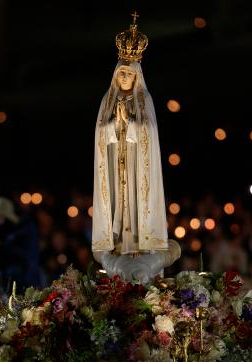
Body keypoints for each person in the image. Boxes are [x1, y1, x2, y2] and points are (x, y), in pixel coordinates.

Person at [91, 14, 168, 257]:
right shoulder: (109, 100)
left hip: (136, 163)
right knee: (119, 200)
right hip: (116, 162)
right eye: (121, 74)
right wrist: (115, 124)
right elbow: (101, 133)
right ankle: (117, 240)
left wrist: (131, 123)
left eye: (129, 74)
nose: (125, 78)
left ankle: (137, 240)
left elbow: (150, 132)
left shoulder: (143, 100)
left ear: (136, 76)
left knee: (135, 201)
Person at [0, 197, 42, 288]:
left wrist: (3, 247)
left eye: (0, 217)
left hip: (25, 283)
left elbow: (28, 256)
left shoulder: (25, 229)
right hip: (11, 282)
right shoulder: (7, 231)